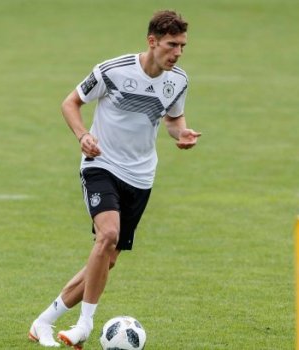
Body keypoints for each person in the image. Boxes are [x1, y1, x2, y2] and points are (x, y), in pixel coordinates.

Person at [28, 10, 201, 349]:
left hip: (141, 176)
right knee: (107, 236)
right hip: (101, 164)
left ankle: (44, 321)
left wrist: (181, 135)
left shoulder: (178, 80)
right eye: (171, 45)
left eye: (182, 46)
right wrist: (82, 136)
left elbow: (172, 120)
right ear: (152, 42)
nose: (177, 52)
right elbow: (70, 102)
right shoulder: (113, 70)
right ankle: (84, 325)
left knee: (106, 258)